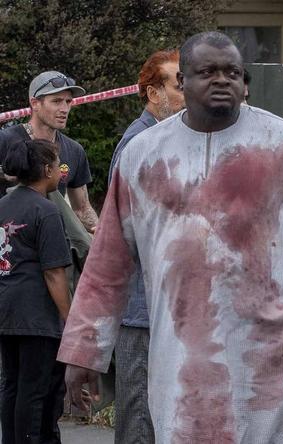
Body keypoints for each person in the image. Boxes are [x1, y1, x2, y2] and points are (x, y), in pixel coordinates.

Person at [57, 31, 283, 442]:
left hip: (279, 356)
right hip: (184, 359)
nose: (221, 80)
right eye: (207, 71)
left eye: (232, 72)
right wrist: (84, 351)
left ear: (244, 84)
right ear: (182, 81)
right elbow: (109, 261)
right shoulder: (144, 155)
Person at [108, 48, 185, 444]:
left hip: (163, 307)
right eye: (178, 84)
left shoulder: (164, 141)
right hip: (141, 311)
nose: (187, 92)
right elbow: (130, 231)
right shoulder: (138, 145)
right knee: (140, 420)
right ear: (154, 94)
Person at [0, 139, 72, 443]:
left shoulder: (3, 204)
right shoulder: (46, 211)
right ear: (46, 170)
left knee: (12, 385)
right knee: (35, 390)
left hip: (6, 311)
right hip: (36, 316)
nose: (60, 171)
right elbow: (54, 273)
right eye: (57, 165)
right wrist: (71, 320)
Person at [0, 71, 99, 233]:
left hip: (52, 242)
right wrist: (6, 174)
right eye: (57, 101)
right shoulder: (5, 141)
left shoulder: (74, 150)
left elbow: (81, 208)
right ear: (35, 103)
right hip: (9, 246)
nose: (65, 109)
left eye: (68, 101)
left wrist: (103, 236)